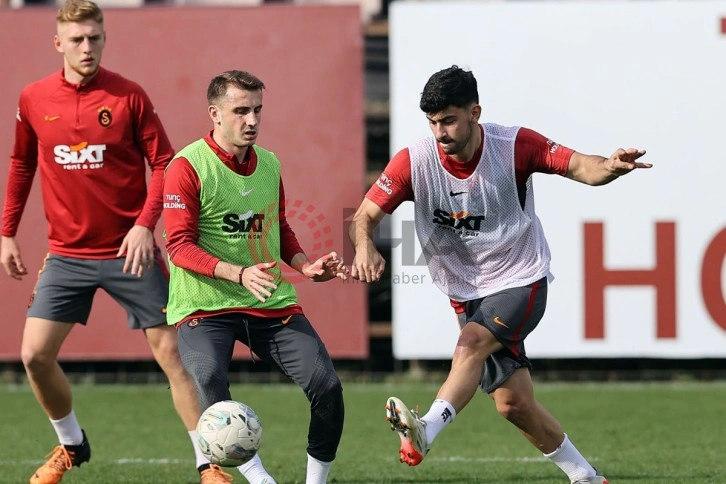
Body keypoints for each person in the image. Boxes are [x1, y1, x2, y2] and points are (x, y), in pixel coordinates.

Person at [349, 65, 652, 484]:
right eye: (432, 122)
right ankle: (586, 477)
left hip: (521, 279)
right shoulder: (414, 162)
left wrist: (610, 166)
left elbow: (583, 166)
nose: (440, 132)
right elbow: (363, 217)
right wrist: (364, 246)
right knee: (513, 404)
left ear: (475, 113)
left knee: (470, 345)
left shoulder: (514, 146)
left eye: (449, 120)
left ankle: (426, 430)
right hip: (466, 292)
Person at [0, 1, 221, 483]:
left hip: (131, 253)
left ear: (104, 38)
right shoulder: (34, 98)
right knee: (34, 356)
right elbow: (21, 164)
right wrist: (7, 232)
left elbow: (165, 162)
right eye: (76, 39)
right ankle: (71, 444)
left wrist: (145, 225)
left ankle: (208, 464)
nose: (87, 47)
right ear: (58, 43)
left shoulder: (129, 96)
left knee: (174, 358)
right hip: (66, 256)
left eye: (94, 38)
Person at [163, 70, 348, 484]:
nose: (252, 120)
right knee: (208, 377)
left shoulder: (270, 163)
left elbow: (277, 226)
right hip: (204, 304)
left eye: (257, 110)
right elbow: (178, 246)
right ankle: (259, 478)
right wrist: (239, 273)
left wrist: (305, 266)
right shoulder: (186, 167)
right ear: (215, 114)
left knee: (327, 386)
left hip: (267, 300)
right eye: (240, 111)